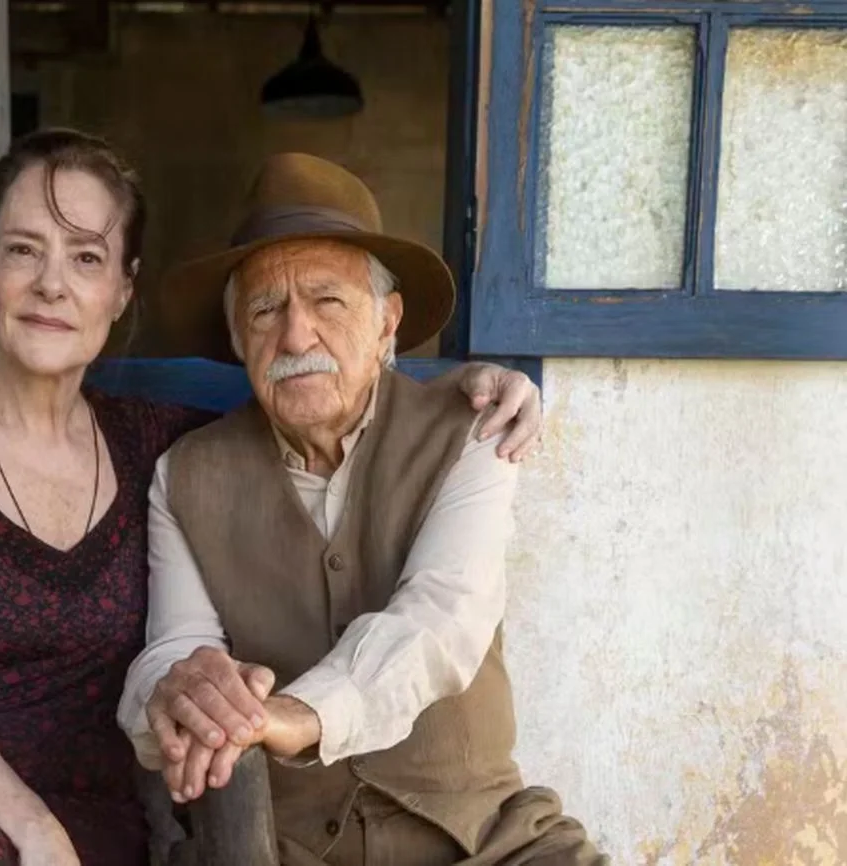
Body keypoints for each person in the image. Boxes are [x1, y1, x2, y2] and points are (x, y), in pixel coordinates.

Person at [0, 129, 544, 866]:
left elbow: (429, 594)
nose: (52, 284)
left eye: (87, 257)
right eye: (23, 250)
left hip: (93, 821)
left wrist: (477, 385)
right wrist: (38, 824)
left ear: (122, 289)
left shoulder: (153, 444)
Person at [118, 153, 606, 865]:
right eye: (265, 309)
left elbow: (443, 616)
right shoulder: (186, 474)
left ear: (387, 323)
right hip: (285, 848)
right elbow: (176, 644)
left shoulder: (472, 431)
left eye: (328, 302)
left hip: (486, 842)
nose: (295, 337)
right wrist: (183, 693)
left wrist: (299, 714)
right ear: (238, 338)